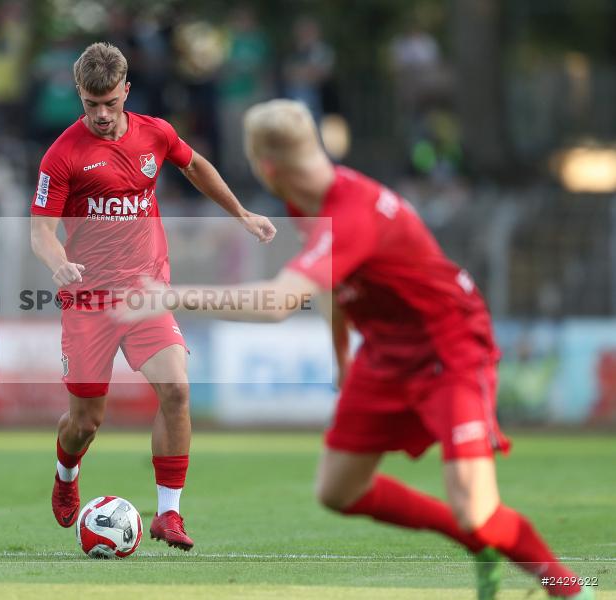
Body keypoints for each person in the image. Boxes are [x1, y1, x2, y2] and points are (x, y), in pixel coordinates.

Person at [118, 99, 593, 599]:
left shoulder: (352, 212)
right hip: (386, 351)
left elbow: (280, 302)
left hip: (448, 347)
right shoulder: (310, 198)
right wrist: (341, 353)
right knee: (339, 490)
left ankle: (568, 588)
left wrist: (169, 295)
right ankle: (476, 541)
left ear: (266, 167)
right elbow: (329, 281)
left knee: (477, 508)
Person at [29, 42, 276, 550]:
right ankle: (66, 472)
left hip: (146, 292)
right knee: (85, 421)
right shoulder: (61, 155)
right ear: (80, 93)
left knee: (177, 390)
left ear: (125, 91)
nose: (100, 115)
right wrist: (60, 265)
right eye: (90, 105)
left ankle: (168, 515)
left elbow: (196, 165)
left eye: (109, 103)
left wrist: (243, 214)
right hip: (89, 301)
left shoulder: (155, 133)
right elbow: (41, 233)